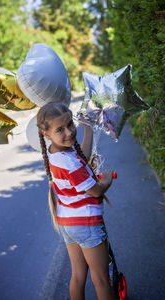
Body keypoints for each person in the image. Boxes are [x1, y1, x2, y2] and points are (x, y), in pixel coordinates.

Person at [36, 102, 115, 300]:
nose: (69, 132)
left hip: (68, 224)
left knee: (78, 277)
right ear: (46, 133)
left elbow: (82, 158)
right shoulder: (68, 161)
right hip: (86, 223)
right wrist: (105, 181)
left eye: (70, 125)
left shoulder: (56, 155)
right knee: (102, 281)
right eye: (60, 130)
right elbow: (95, 191)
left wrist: (87, 128)